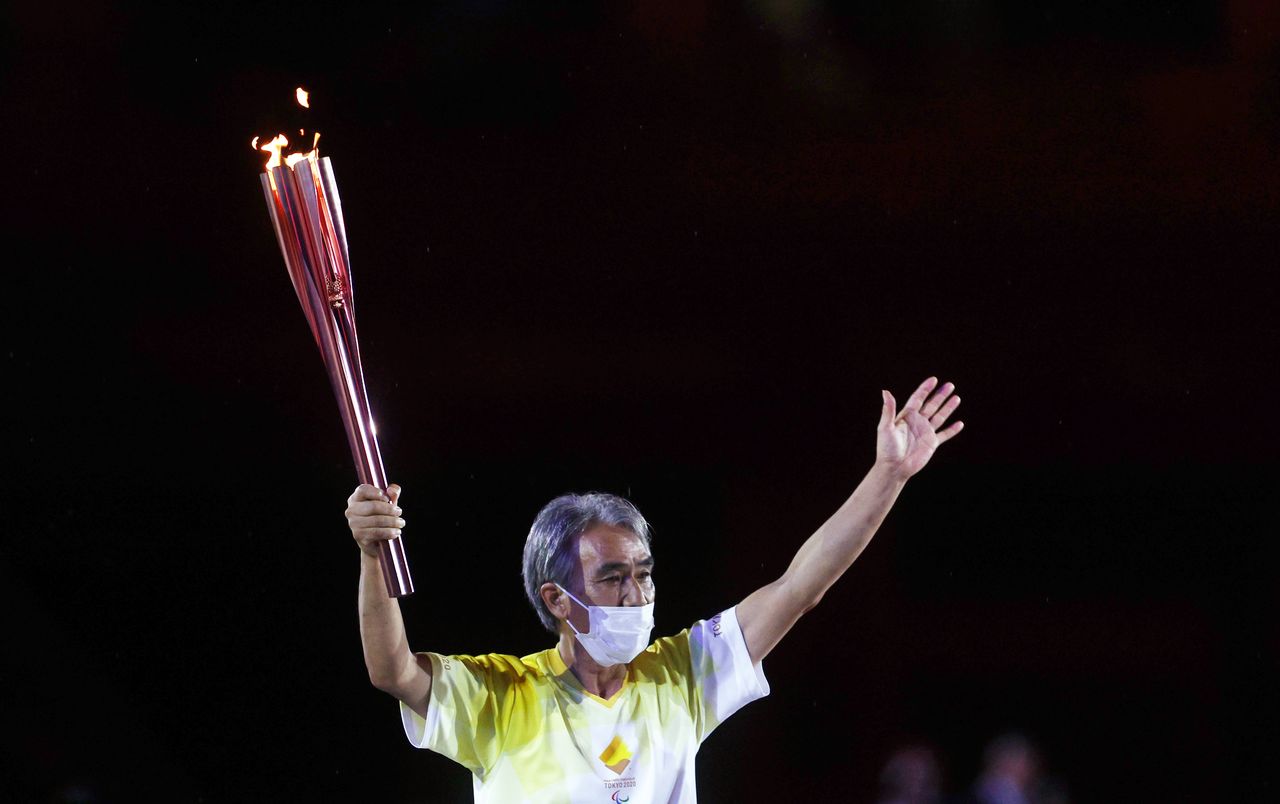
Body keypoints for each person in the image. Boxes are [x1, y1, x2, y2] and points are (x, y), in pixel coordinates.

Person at [346, 377, 963, 802]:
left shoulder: (681, 676)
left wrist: (888, 476)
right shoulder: (502, 696)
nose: (637, 594)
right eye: (613, 577)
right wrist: (374, 553)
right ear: (557, 599)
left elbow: (800, 586)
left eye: (643, 573)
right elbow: (392, 670)